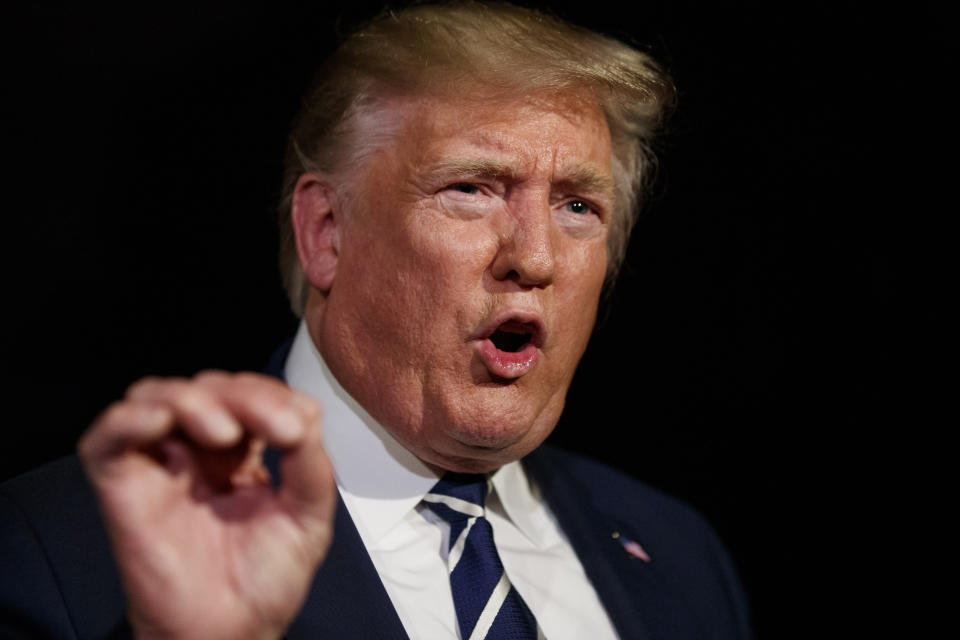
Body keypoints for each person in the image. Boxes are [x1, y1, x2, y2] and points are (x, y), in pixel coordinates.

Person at [0, 2, 751, 638]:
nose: (534, 257)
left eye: (578, 206)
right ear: (327, 232)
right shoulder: (64, 550)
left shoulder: (680, 557)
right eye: (472, 188)